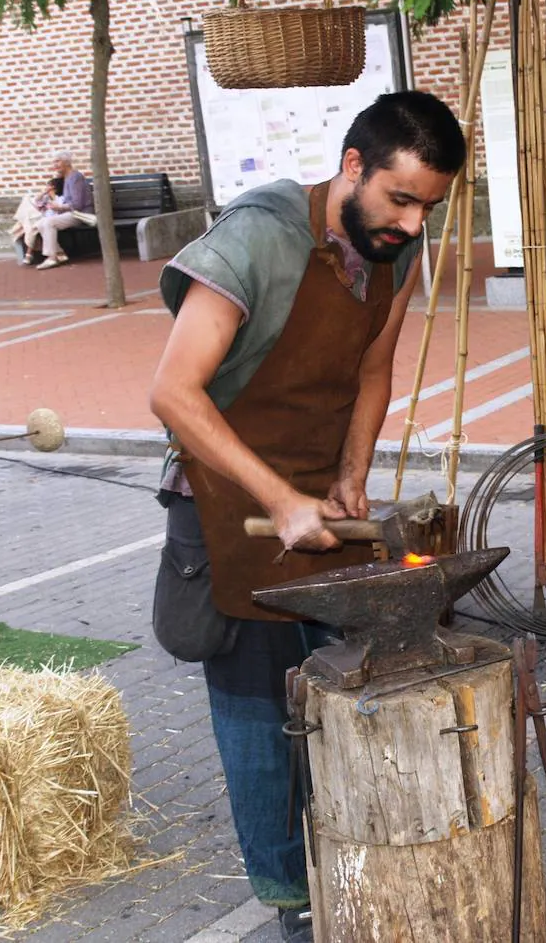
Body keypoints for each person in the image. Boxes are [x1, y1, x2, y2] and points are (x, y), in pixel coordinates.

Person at [147, 90, 464, 942]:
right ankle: (291, 901)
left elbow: (372, 369)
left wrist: (351, 474)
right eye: (399, 198)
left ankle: (355, 855)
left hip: (318, 507)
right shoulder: (258, 238)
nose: (410, 220)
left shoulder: (396, 250)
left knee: (338, 689)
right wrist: (279, 499)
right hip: (225, 508)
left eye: (428, 204)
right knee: (259, 718)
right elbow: (173, 393)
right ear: (352, 167)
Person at [33, 152, 94, 270]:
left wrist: (59, 207)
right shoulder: (67, 178)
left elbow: (77, 204)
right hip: (71, 213)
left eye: (57, 161)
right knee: (40, 223)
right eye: (53, 162)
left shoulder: (75, 177)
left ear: (66, 162)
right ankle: (60, 253)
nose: (54, 165)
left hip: (81, 214)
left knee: (49, 223)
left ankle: (52, 257)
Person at [11, 175, 62, 264]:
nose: (46, 187)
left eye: (48, 185)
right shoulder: (45, 197)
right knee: (28, 208)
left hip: (50, 219)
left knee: (32, 225)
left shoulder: (59, 199)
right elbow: (35, 201)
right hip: (39, 218)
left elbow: (57, 211)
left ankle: (29, 253)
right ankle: (30, 254)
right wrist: (44, 193)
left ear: (53, 187)